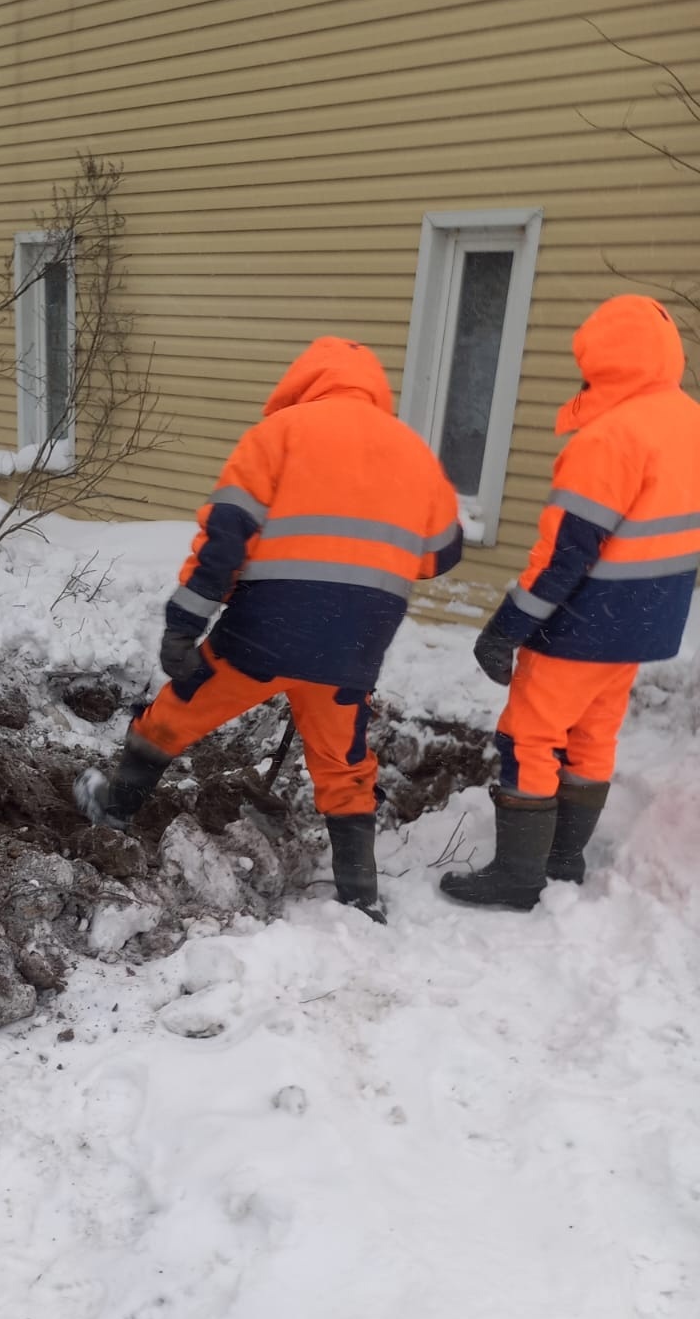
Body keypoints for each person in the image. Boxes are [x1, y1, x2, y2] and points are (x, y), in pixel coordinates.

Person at [74, 336, 463, 918]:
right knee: (344, 764)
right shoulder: (414, 454)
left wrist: (184, 623)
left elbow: (223, 539)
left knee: (175, 712)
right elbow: (442, 555)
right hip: (352, 649)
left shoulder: (278, 435)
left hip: (264, 634)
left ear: (301, 383)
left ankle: (115, 807)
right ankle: (360, 895)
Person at [441, 294, 700, 910]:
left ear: (606, 362)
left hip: (585, 619)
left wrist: (506, 627)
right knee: (593, 734)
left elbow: (565, 557)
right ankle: (563, 858)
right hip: (647, 619)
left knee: (529, 735)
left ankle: (518, 875)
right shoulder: (689, 422)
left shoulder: (609, 437)